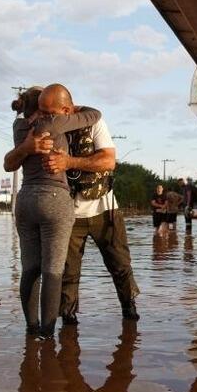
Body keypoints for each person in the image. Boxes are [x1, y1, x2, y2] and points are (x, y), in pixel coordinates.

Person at [4, 84, 101, 339]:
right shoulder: (54, 124)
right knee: (53, 271)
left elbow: (10, 163)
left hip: (25, 201)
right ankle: (47, 336)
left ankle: (31, 329)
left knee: (30, 268)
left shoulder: (19, 128)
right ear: (45, 108)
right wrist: (70, 107)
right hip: (54, 199)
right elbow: (94, 114)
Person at [43, 108, 140, 325]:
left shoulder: (95, 123)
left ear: (66, 109)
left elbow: (108, 161)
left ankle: (129, 312)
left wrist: (69, 162)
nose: (48, 117)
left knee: (121, 264)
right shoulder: (47, 130)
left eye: (51, 112)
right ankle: (67, 321)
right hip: (67, 213)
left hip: (105, 209)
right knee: (67, 271)